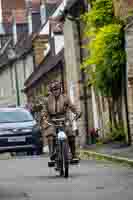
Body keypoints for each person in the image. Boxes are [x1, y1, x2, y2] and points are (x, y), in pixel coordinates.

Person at [32, 80, 81, 160]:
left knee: (71, 134)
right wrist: (44, 116)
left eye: (57, 89)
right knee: (50, 134)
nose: (56, 91)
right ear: (51, 91)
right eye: (54, 90)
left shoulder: (65, 98)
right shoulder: (47, 100)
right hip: (52, 120)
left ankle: (74, 155)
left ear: (60, 89)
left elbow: (72, 107)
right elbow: (44, 110)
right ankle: (52, 154)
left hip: (64, 119)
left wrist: (77, 112)